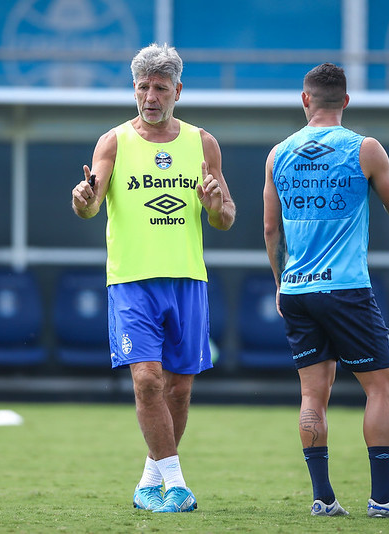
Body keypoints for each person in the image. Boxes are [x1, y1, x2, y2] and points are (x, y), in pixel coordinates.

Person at [262, 62, 389, 518]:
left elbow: (270, 230)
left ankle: (323, 498)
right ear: (346, 101)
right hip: (346, 289)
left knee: (312, 395)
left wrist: (281, 286)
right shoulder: (365, 148)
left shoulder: (278, 154)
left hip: (297, 290)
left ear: (305, 100)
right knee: (382, 387)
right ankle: (382, 498)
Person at [71, 43, 236, 513]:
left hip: (187, 280)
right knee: (147, 380)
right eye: (143, 87)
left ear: (177, 91)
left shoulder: (203, 143)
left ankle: (149, 480)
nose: (150, 97)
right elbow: (91, 202)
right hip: (132, 281)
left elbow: (226, 217)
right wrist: (83, 198)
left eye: (160, 88)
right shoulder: (114, 141)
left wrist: (214, 206)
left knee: (179, 389)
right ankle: (178, 485)